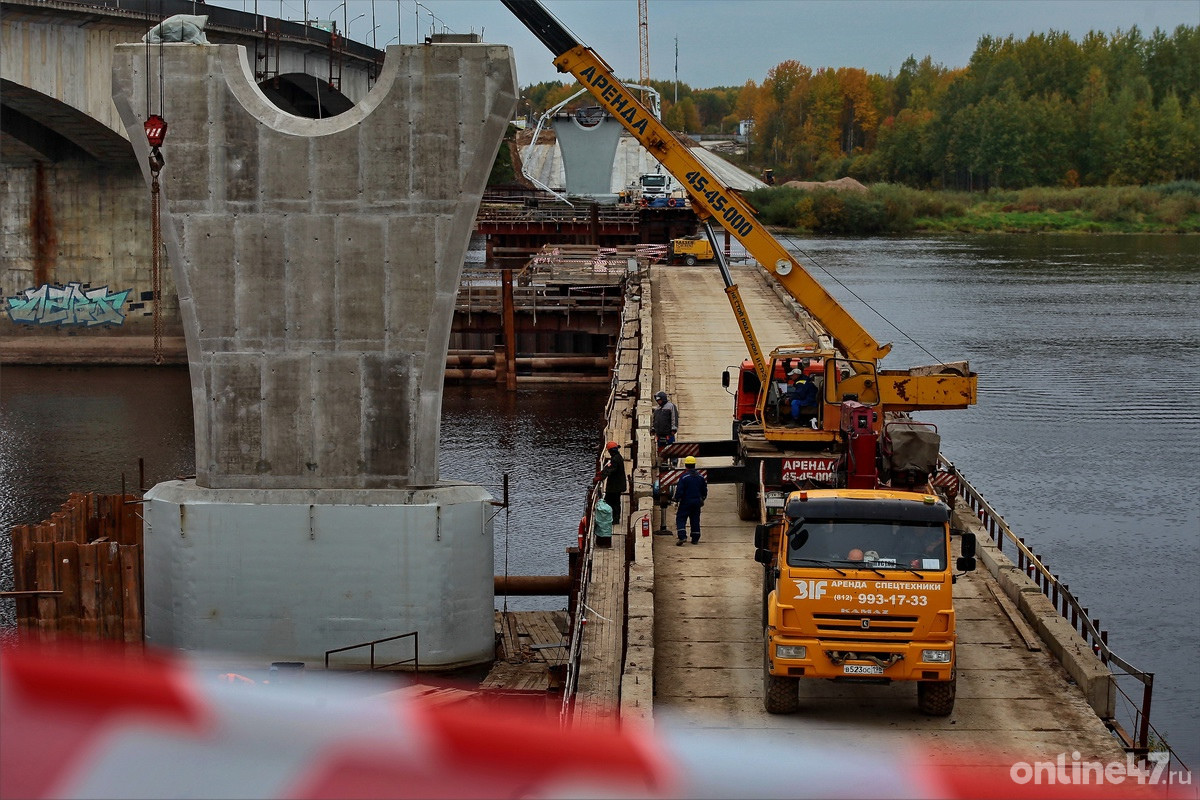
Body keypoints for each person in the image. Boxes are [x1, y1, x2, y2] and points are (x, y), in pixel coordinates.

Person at [674, 455, 707, 546]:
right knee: (695, 519)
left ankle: (682, 536)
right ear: (694, 465)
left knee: (681, 518)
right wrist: (703, 498)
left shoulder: (684, 477)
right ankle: (695, 538)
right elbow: (704, 489)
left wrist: (676, 499)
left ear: (686, 465)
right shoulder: (700, 477)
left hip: (686, 502)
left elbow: (680, 490)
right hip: (696, 502)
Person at [599, 441, 627, 524]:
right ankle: (614, 518)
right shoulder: (617, 457)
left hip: (615, 486)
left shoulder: (615, 459)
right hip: (617, 485)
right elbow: (608, 467)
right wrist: (602, 473)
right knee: (615, 502)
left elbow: (610, 470)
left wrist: (601, 477)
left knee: (611, 502)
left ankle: (614, 519)